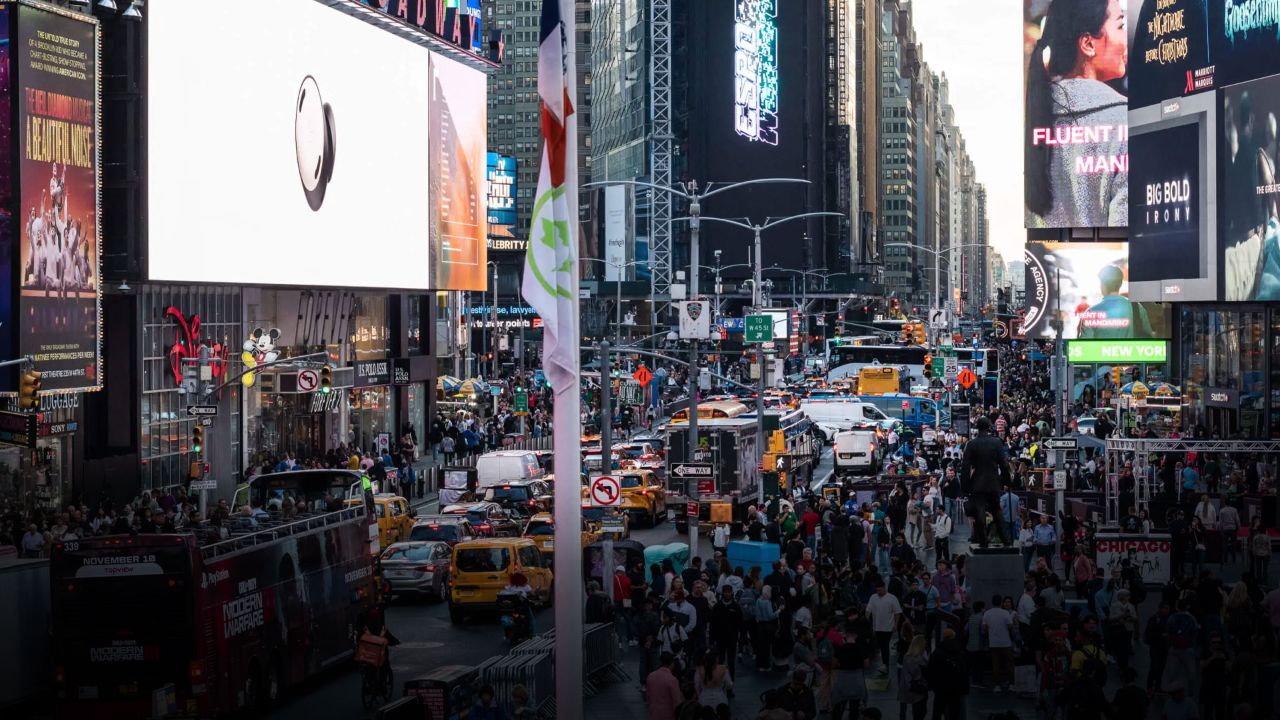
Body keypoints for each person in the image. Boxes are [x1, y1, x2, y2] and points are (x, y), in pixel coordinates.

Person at [1024, 0, 1128, 229]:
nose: (1126, 37)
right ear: (1088, 44)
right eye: (1121, 25)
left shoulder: (1035, 116)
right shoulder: (1124, 119)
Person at [959, 416, 1012, 547]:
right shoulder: (997, 443)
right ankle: (1006, 540)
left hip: (977, 482)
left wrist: (965, 486)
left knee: (980, 512)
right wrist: (1007, 481)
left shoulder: (971, 444)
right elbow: (1004, 465)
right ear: (989, 427)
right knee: (996, 510)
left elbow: (965, 467)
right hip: (993, 482)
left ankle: (983, 542)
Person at [925, 628, 969, 720]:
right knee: (954, 712)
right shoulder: (959, 651)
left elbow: (931, 670)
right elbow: (964, 671)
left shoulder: (937, 652)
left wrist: (931, 684)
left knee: (937, 710)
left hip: (941, 687)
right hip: (956, 687)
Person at [830, 622, 870, 720]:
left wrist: (841, 665)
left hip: (842, 679)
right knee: (855, 707)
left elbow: (833, 665)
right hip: (856, 680)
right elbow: (866, 664)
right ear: (855, 636)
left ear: (845, 635)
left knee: (839, 705)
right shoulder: (861, 648)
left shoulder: (840, 649)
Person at [981, 594, 1017, 693]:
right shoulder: (1005, 613)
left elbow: (984, 629)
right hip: (1006, 643)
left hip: (993, 643)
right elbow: (1010, 627)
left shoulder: (987, 613)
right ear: (1001, 602)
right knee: (1009, 665)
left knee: (995, 666)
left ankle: (997, 685)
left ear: (992, 602)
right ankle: (1011, 684)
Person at [866, 580, 902, 675]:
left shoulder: (892, 598)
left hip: (887, 627)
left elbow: (897, 612)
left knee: (885, 645)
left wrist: (896, 624)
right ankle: (884, 663)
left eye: (880, 590)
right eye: (877, 590)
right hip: (876, 626)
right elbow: (868, 610)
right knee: (881, 645)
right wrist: (866, 621)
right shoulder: (873, 597)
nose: (879, 592)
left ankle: (885, 664)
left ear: (884, 588)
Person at [897, 636, 929, 720]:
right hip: (920, 689)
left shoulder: (906, 657)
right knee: (920, 712)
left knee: (914, 710)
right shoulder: (921, 659)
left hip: (909, 687)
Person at [646, 652, 684, 720]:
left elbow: (648, 697)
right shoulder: (672, 680)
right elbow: (677, 702)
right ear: (672, 663)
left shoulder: (650, 676)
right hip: (668, 715)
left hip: (654, 714)